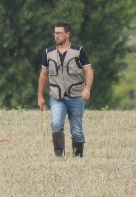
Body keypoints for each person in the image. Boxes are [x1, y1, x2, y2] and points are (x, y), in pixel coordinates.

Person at [37, 22, 94, 157]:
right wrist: (40, 95)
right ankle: (59, 156)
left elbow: (88, 71)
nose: (56, 36)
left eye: (59, 33)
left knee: (76, 130)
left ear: (68, 34)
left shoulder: (79, 51)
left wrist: (87, 89)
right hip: (57, 96)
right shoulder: (48, 52)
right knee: (56, 124)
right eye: (55, 33)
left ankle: (78, 157)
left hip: (76, 96)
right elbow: (44, 74)